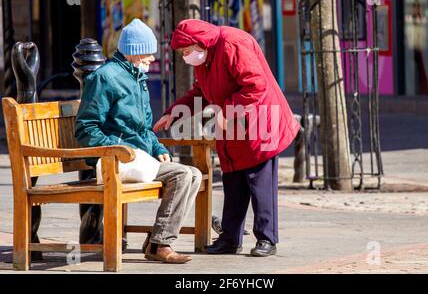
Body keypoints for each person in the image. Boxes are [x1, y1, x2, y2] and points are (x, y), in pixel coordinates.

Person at [154, 19, 300, 257]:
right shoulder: (204, 57)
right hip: (231, 126)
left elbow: (255, 85)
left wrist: (228, 109)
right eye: (182, 53)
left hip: (258, 122)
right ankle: (230, 239)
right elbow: (200, 91)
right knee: (233, 182)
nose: (185, 57)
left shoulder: (233, 43)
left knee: (259, 183)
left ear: (199, 43)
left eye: (186, 51)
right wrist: (174, 112)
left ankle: (267, 239)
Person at [75, 19, 201, 264]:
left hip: (138, 158)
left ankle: (157, 239)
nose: (152, 59)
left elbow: (143, 128)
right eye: (148, 53)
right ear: (134, 52)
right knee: (183, 175)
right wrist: (119, 149)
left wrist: (157, 147)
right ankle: (160, 244)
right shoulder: (105, 78)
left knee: (194, 174)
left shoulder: (136, 77)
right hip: (114, 161)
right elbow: (86, 128)